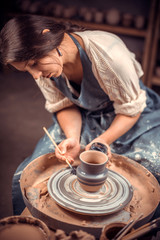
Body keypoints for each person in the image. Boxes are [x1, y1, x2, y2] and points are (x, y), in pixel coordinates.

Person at [0, 14, 160, 215]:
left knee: (151, 170)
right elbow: (65, 106)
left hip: (130, 115)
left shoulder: (109, 54)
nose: (35, 76)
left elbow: (130, 110)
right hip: (85, 115)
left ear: (47, 37)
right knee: (30, 175)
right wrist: (73, 138)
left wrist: (102, 142)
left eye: (33, 64)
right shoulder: (44, 68)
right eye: (27, 71)